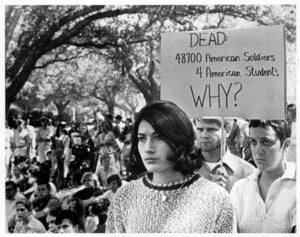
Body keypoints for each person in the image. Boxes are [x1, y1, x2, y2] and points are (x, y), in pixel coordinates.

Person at [106, 100, 234, 233]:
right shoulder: (124, 197)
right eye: (142, 138)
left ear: (179, 139)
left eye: (158, 137)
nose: (148, 148)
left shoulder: (216, 198)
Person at [230, 120, 296, 233]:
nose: (258, 151)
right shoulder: (239, 188)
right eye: (253, 142)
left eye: (266, 142)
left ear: (285, 144)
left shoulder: (295, 187)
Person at [194, 118, 255, 192]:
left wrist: (230, 194)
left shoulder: (247, 172)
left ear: (228, 131)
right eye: (200, 129)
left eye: (211, 129)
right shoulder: (184, 169)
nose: (204, 135)